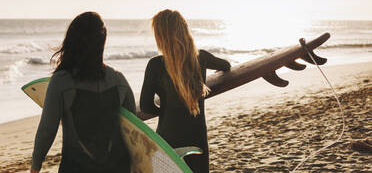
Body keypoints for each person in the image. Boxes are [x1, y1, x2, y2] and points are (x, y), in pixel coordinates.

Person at [30, 12, 135, 173]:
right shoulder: (119, 80)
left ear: (72, 40)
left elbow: (47, 130)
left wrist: (35, 167)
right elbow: (133, 132)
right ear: (102, 42)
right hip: (117, 168)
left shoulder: (61, 81)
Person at [140, 9, 231, 173]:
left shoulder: (155, 65)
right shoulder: (201, 58)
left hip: (168, 136)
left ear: (160, 36)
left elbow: (146, 106)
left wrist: (165, 111)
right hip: (197, 136)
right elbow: (225, 66)